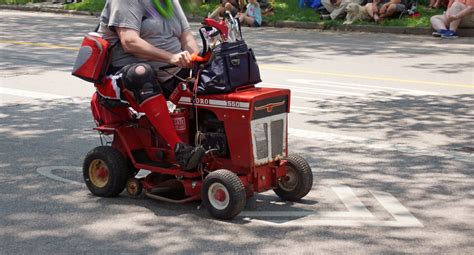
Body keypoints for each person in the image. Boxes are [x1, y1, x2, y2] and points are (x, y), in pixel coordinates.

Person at [97, 0, 205, 171]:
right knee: (141, 72)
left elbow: (186, 37)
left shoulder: (169, 2)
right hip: (125, 77)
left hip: (168, 72)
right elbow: (129, 41)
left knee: (210, 78)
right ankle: (179, 149)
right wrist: (171, 57)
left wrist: (199, 61)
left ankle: (207, 143)